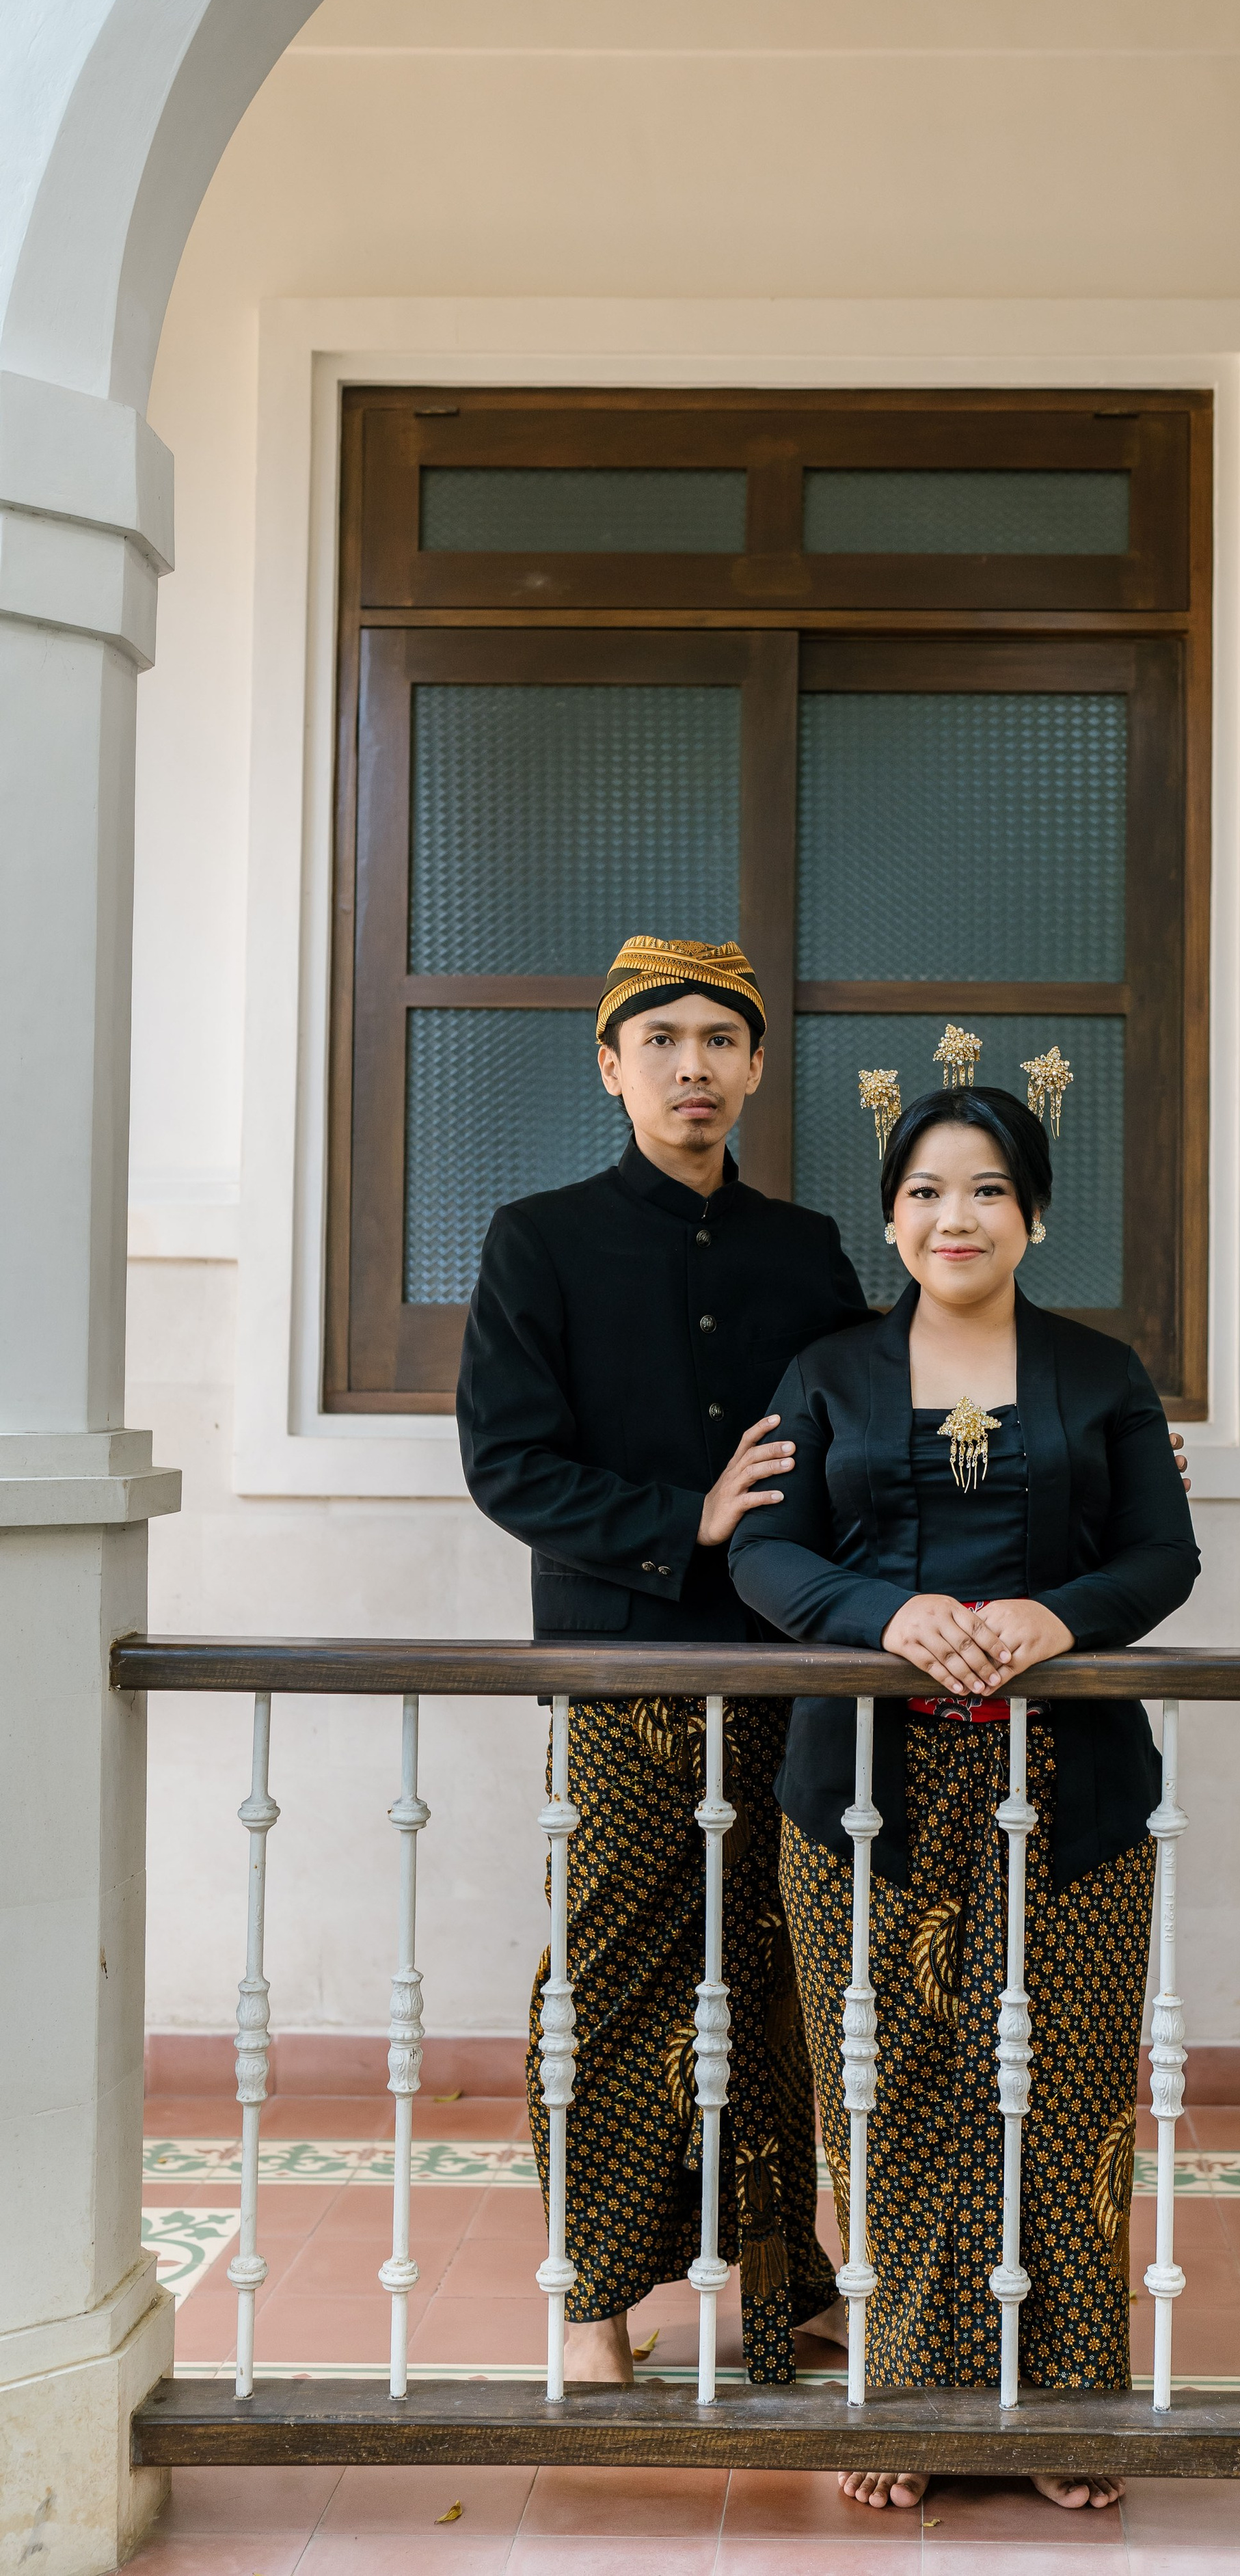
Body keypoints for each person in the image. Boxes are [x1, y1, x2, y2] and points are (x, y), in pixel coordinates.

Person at [730, 1076, 1200, 2512]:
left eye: (989, 1189)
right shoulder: (826, 1373)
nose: (957, 1216)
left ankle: (1064, 2408)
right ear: (890, 1218)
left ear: (1034, 1215)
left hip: (1071, 1797)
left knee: (1065, 2092)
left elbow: (1162, 1554)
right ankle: (908, 2400)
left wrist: (1061, 1617)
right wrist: (883, 1613)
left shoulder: (1101, 1373)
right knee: (889, 2099)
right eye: (927, 1190)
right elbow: (765, 1553)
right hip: (862, 1799)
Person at [455, 935, 870, 2387]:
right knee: (618, 1974)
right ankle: (593, 2306)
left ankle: (784, 2286)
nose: (693, 1066)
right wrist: (683, 1517)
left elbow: (872, 1427)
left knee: (780, 1972)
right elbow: (508, 1464)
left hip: (785, 1665)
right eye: (662, 1041)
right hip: (620, 1669)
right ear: (611, 1066)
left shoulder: (804, 1250)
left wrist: (1084, 1449)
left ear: (754, 1067)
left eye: (719, 1040)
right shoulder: (539, 1239)